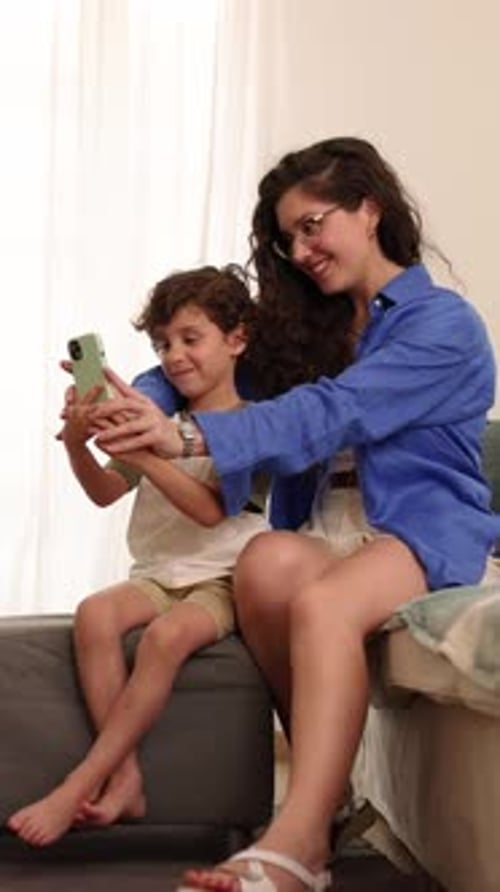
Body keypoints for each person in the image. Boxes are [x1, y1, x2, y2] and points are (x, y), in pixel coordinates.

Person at [88, 137, 499, 892]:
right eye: (288, 238)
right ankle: (327, 797)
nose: (302, 251)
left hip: (416, 529)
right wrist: (144, 401)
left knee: (323, 603)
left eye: (313, 225)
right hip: (323, 527)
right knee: (264, 562)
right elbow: (192, 348)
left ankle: (299, 841)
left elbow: (336, 410)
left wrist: (184, 437)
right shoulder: (310, 328)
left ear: (369, 208)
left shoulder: (444, 325)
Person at [7, 264, 269, 848]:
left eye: (190, 338)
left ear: (237, 339)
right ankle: (124, 778)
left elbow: (211, 512)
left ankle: (82, 782)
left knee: (165, 639)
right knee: (95, 614)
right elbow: (104, 491)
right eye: (163, 344)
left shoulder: (255, 427)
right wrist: (79, 444)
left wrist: (146, 453)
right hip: (159, 574)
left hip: (222, 578)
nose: (174, 356)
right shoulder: (160, 419)